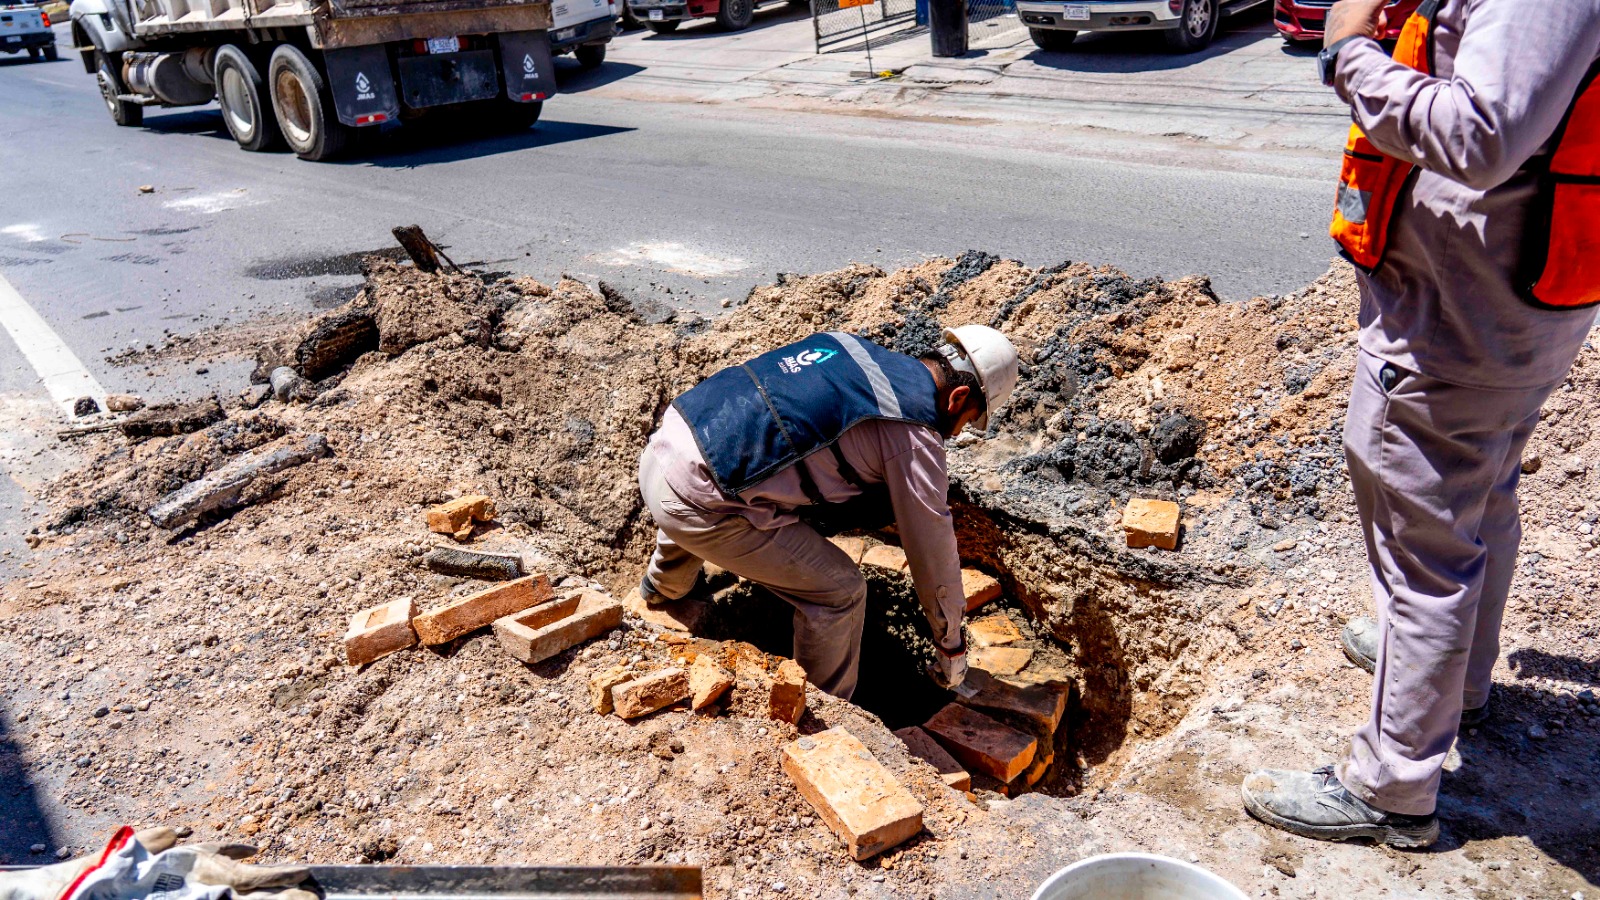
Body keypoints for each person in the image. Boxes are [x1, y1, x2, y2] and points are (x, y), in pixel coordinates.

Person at [1242, 0, 1600, 848]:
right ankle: (1454, 678)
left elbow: (1480, 137)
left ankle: (1390, 788)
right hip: (1500, 311)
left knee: (1422, 546)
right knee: (1479, 501)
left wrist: (1347, 52)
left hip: (1458, 325)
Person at [635, 326, 1019, 699]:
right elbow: (932, 551)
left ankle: (662, 585)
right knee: (842, 594)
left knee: (740, 469)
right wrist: (951, 645)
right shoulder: (915, 436)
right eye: (969, 419)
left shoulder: (848, 346)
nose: (958, 432)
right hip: (695, 505)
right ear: (958, 398)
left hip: (666, 449)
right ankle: (824, 714)